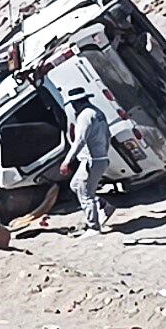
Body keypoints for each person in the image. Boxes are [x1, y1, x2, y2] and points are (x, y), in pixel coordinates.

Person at [57, 94, 114, 233]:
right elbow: (108, 135)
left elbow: (79, 141)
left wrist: (67, 161)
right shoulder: (98, 112)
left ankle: (93, 226)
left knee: (85, 195)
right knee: (75, 185)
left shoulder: (84, 116)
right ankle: (104, 206)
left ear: (76, 103)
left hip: (91, 161)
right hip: (99, 159)